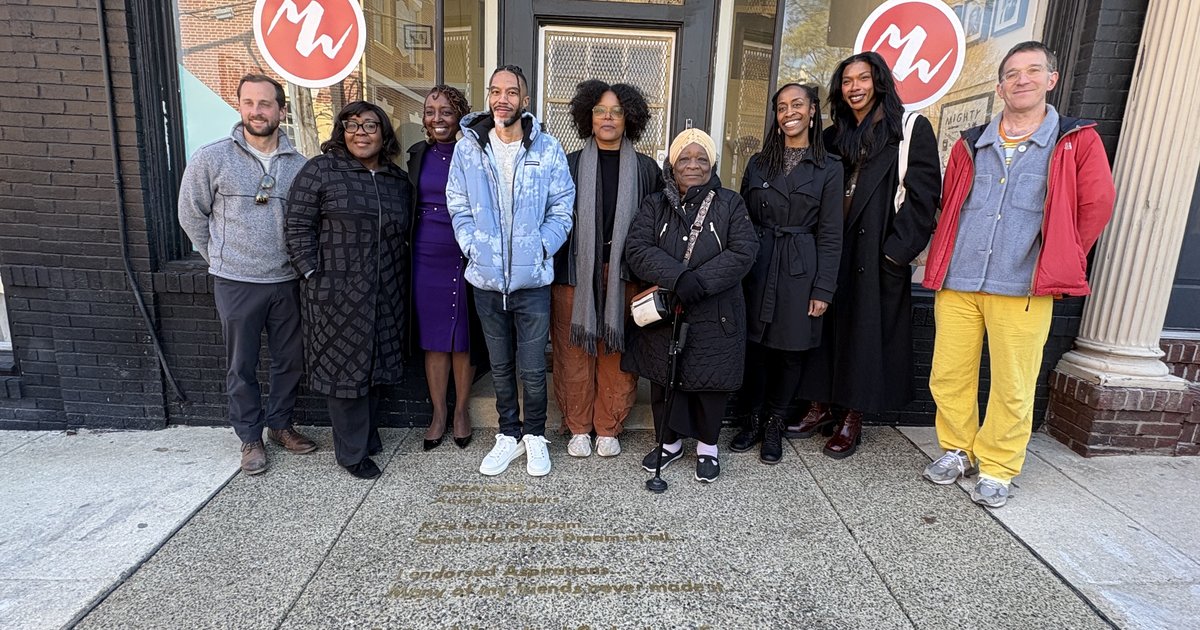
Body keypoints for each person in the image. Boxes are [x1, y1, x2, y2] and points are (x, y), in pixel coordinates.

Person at [921, 41, 1115, 507]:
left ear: (1052, 79)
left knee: (1013, 382)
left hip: (1025, 284)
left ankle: (999, 465)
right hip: (960, 280)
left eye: (1032, 71)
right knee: (949, 374)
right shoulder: (972, 143)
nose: (1021, 80)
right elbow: (952, 206)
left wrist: (1062, 254)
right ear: (999, 86)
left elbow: (1096, 204)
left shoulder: (1075, 140)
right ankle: (957, 450)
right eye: (1012, 73)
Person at [795, 52, 941, 459]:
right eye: (847, 81)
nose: (854, 87)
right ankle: (819, 405)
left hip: (875, 253)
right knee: (822, 332)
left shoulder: (908, 129)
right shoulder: (830, 136)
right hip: (831, 248)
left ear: (879, 81)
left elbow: (924, 198)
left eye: (863, 78)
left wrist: (895, 255)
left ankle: (851, 416)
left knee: (864, 336)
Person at [178, 74, 316, 476]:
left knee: (289, 360)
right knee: (242, 364)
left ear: (281, 110)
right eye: (249, 103)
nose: (257, 111)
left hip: (286, 280)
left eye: (266, 103)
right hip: (236, 281)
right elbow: (191, 214)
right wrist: (218, 257)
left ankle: (279, 425)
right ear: (240, 107)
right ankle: (249, 437)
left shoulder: (300, 166)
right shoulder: (212, 158)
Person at [446, 65, 575, 477]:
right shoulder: (468, 148)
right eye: (495, 91)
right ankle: (508, 434)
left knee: (534, 368)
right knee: (500, 366)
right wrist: (473, 246)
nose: (502, 99)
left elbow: (562, 207)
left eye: (511, 92)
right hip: (485, 279)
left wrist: (540, 247)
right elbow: (458, 203)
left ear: (525, 99)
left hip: (532, 280)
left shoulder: (547, 148)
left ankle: (535, 437)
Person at [285, 101, 412, 480]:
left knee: (372, 366)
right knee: (345, 370)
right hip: (334, 292)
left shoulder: (396, 179)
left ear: (383, 133)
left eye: (370, 125)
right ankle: (351, 454)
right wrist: (312, 274)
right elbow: (296, 227)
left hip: (385, 290)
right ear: (341, 131)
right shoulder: (320, 171)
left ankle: (366, 435)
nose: (361, 132)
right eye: (352, 125)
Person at [623, 128, 758, 483]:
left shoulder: (730, 203)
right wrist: (678, 278)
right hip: (668, 312)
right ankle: (668, 443)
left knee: (709, 383)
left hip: (716, 312)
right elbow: (637, 249)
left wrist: (700, 281)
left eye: (701, 158)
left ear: (711, 163)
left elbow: (744, 250)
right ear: (672, 164)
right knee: (665, 379)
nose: (693, 165)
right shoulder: (655, 203)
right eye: (685, 158)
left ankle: (707, 447)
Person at [731, 83, 843, 465]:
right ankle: (752, 419)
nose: (789, 112)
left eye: (797, 104)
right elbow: (740, 220)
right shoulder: (759, 163)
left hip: (800, 267)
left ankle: (776, 423)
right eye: (781, 107)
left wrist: (823, 288)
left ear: (813, 111)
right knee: (757, 349)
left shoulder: (830, 167)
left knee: (790, 352)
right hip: (759, 266)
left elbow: (831, 233)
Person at [552, 80, 662, 459]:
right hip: (574, 273)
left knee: (617, 350)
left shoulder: (647, 169)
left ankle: (608, 426)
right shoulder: (568, 164)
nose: (608, 118)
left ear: (630, 117)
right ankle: (579, 427)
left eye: (616, 111)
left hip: (625, 275)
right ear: (588, 116)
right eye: (600, 110)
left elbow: (655, 225)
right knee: (574, 351)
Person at [406, 85, 479, 451]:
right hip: (425, 252)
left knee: (462, 338)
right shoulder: (417, 155)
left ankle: (462, 412)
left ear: (460, 115)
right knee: (434, 340)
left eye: (446, 111)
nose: (437, 119)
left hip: (465, 252)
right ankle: (438, 414)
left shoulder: (476, 153)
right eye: (431, 111)